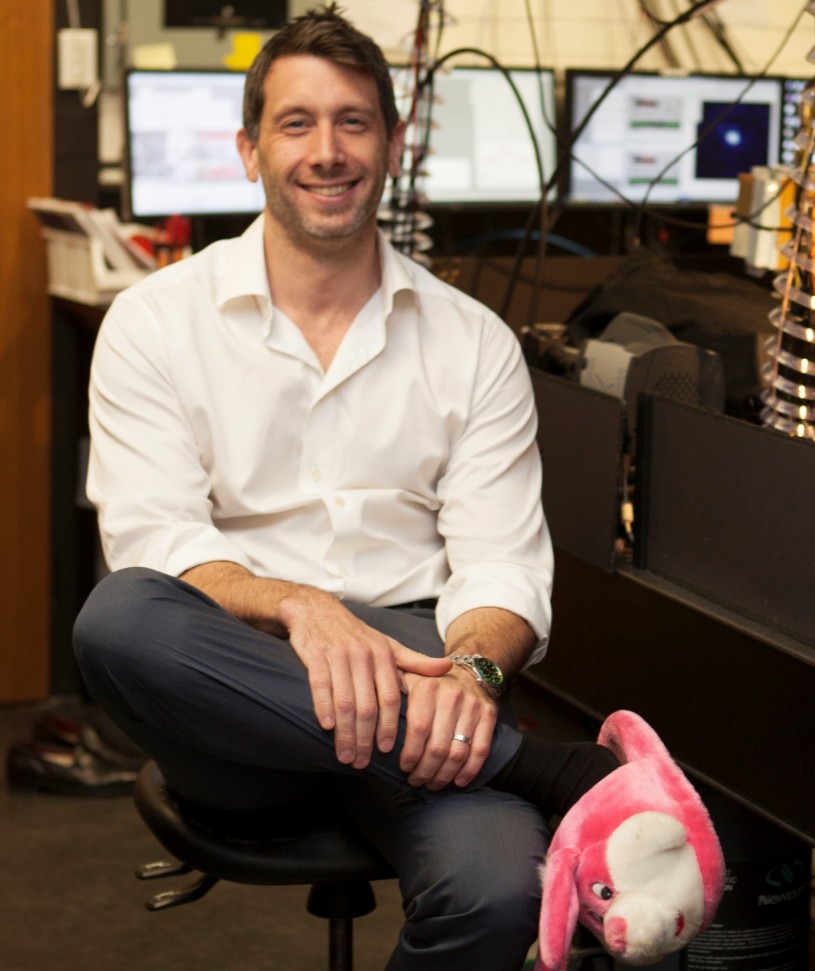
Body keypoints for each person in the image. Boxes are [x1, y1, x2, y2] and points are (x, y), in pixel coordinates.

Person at [73, 6, 615, 968]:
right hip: (238, 690)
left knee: (501, 893)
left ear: (393, 145)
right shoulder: (154, 323)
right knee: (118, 618)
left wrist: (478, 674)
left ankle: (479, 742)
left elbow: (500, 565)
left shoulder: (472, 342)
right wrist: (300, 608)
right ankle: (532, 765)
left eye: (354, 122)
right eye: (296, 123)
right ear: (249, 149)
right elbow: (156, 539)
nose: (328, 151)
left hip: (424, 679)